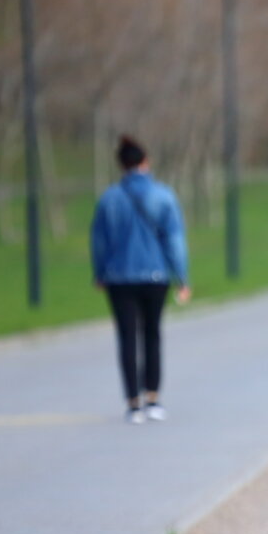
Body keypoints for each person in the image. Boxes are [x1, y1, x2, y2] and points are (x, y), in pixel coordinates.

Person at [90, 135, 190, 424]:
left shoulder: (109, 198)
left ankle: (133, 403)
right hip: (155, 276)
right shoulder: (163, 195)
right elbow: (174, 240)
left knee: (126, 336)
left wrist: (100, 272)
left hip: (119, 278)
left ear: (121, 165)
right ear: (145, 162)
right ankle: (153, 398)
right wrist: (181, 277)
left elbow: (99, 241)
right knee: (152, 334)